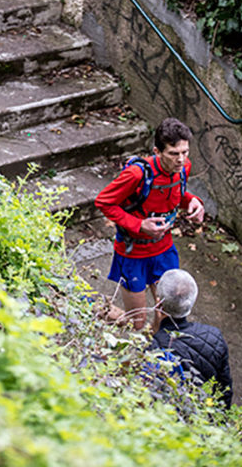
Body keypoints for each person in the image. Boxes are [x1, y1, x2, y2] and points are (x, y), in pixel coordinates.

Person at [95, 117, 205, 330]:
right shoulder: (137, 174)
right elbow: (103, 202)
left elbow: (175, 196)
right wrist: (139, 225)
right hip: (133, 253)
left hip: (164, 250)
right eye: (174, 154)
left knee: (167, 317)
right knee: (136, 321)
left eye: (185, 152)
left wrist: (193, 201)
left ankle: (154, 349)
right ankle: (106, 313)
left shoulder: (183, 168)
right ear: (157, 152)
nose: (181, 160)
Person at [151, 269, 233, 407]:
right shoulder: (215, 336)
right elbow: (225, 387)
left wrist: (154, 326)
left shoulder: (155, 346)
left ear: (158, 303)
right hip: (204, 409)